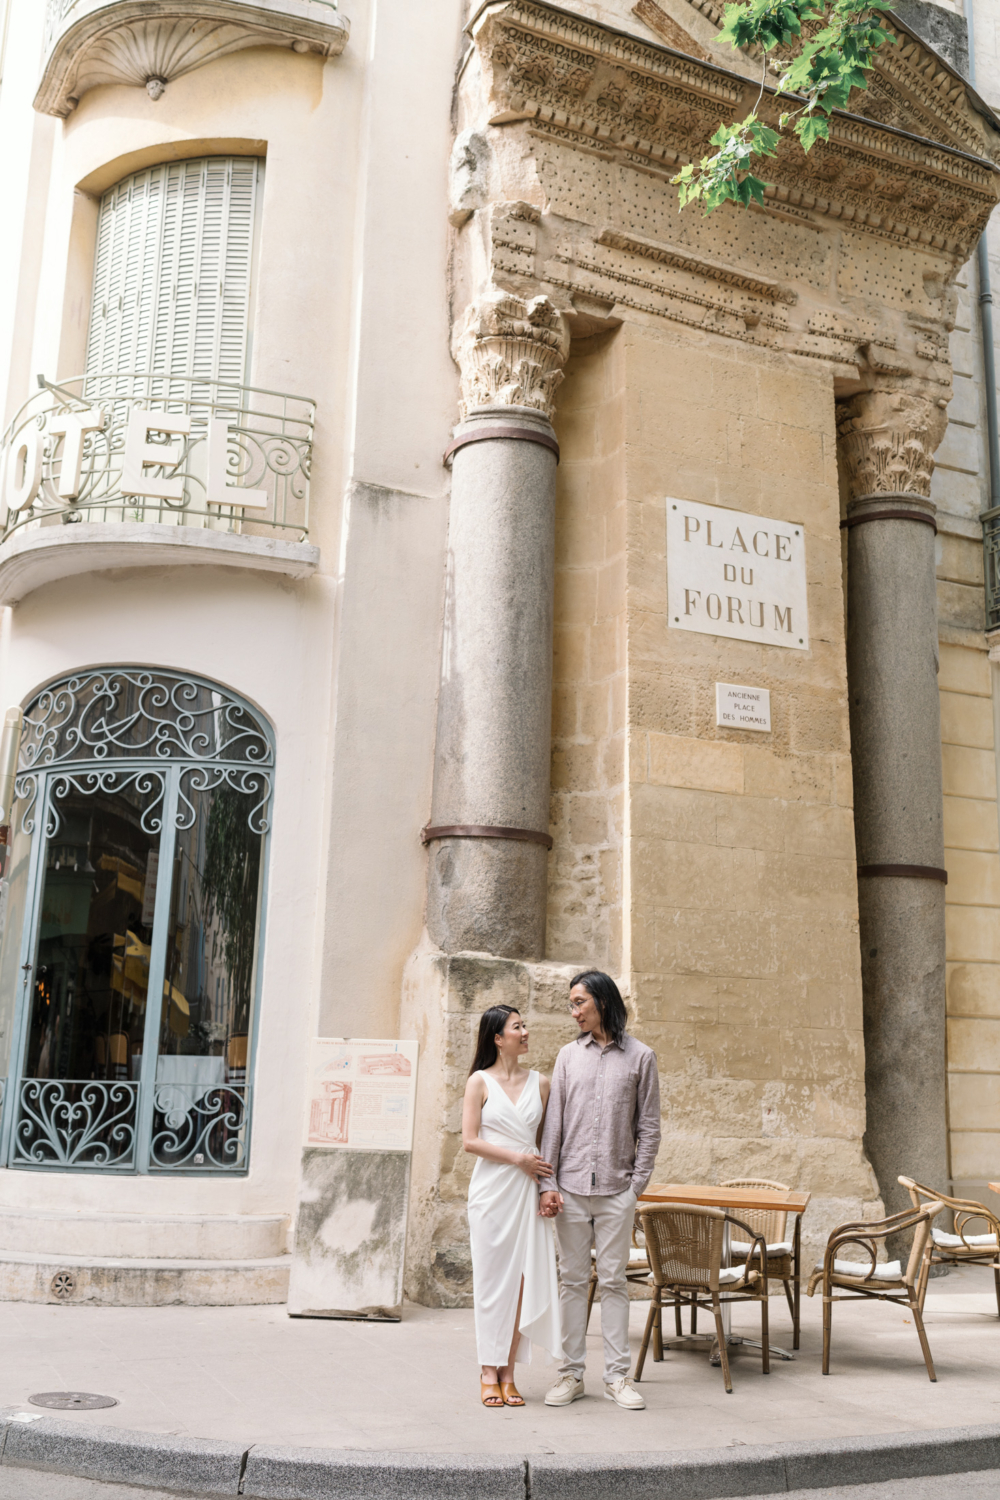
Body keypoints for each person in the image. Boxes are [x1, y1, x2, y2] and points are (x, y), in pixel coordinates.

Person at [538, 970, 661, 1410]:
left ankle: (617, 1377)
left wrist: (635, 1187)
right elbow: (553, 1126)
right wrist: (547, 1183)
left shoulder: (641, 1057)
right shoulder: (568, 1056)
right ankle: (571, 1375)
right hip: (569, 1187)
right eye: (572, 1004)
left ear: (602, 1002)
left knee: (613, 1283)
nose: (573, 1012)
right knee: (571, 1282)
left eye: (578, 1003)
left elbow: (648, 1127)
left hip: (616, 1190)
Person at [462, 1003, 562, 1407]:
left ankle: (509, 1372)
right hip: (492, 1191)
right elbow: (470, 1141)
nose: (525, 1032)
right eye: (517, 1027)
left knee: (522, 1283)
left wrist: (545, 1186)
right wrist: (517, 1158)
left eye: (525, 1026)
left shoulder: (543, 1083)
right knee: (491, 1282)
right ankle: (488, 1369)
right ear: (497, 1038)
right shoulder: (478, 1082)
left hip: (527, 1193)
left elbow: (550, 1142)